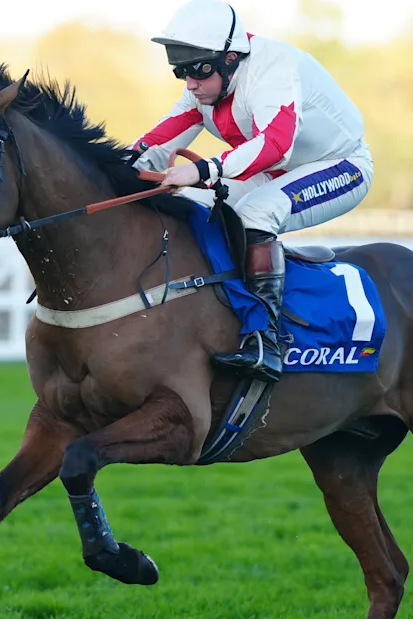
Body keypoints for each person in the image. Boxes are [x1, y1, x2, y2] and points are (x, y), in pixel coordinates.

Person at [126, 0, 374, 384]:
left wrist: (203, 169)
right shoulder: (206, 85)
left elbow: (276, 144)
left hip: (341, 165)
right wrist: (111, 170)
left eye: (197, 71)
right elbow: (157, 142)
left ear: (230, 58)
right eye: (181, 72)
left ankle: (265, 341)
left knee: (256, 213)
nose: (189, 84)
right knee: (189, 206)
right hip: (269, 169)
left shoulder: (274, 70)